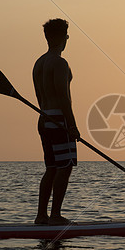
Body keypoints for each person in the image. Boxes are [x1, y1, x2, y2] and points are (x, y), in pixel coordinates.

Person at [32, 18, 80, 225]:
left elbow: (40, 97)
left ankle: (41, 216)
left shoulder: (39, 63)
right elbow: (63, 97)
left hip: (44, 119)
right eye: (67, 36)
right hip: (59, 120)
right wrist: (72, 125)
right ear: (62, 37)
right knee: (65, 166)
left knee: (51, 167)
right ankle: (56, 216)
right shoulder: (60, 63)